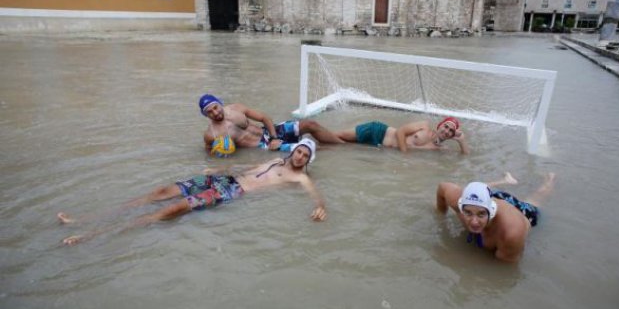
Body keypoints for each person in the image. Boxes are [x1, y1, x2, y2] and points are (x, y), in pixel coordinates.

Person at [58, 138, 327, 245]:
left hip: (232, 192)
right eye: (299, 150)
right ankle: (84, 219)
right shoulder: (276, 160)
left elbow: (316, 197)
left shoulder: (300, 179)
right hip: (225, 179)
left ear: (308, 160)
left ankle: (91, 236)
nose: (300, 155)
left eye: (306, 154)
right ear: (293, 151)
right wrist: (220, 170)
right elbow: (248, 166)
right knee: (162, 191)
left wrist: (320, 207)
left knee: (173, 209)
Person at [435, 172, 556, 263]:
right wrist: (441, 216)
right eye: (468, 213)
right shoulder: (456, 199)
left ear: (491, 211)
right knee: (475, 189)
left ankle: (550, 179)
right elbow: (442, 188)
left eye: (481, 214)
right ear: (461, 207)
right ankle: (505, 180)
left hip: (521, 213)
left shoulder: (511, 234)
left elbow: (504, 270)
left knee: (534, 201)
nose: (474, 222)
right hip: (494, 197)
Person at [199, 94, 343, 154]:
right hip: (264, 146)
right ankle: (340, 153)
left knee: (310, 124)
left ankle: (343, 145)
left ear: (219, 103)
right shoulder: (211, 134)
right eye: (209, 112)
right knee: (308, 148)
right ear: (205, 115)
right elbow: (209, 152)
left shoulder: (236, 108)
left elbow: (264, 118)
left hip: (271, 133)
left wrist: (274, 137)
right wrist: (221, 152)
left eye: (215, 107)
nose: (215, 113)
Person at [333, 117, 469, 154]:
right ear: (440, 125)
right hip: (379, 131)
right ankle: (313, 137)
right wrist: (404, 154)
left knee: (338, 144)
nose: (447, 131)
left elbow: (464, 157)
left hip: (378, 147)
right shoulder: (424, 126)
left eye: (451, 131)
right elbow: (400, 132)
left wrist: (461, 140)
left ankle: (315, 145)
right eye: (446, 126)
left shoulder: (438, 149)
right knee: (337, 136)